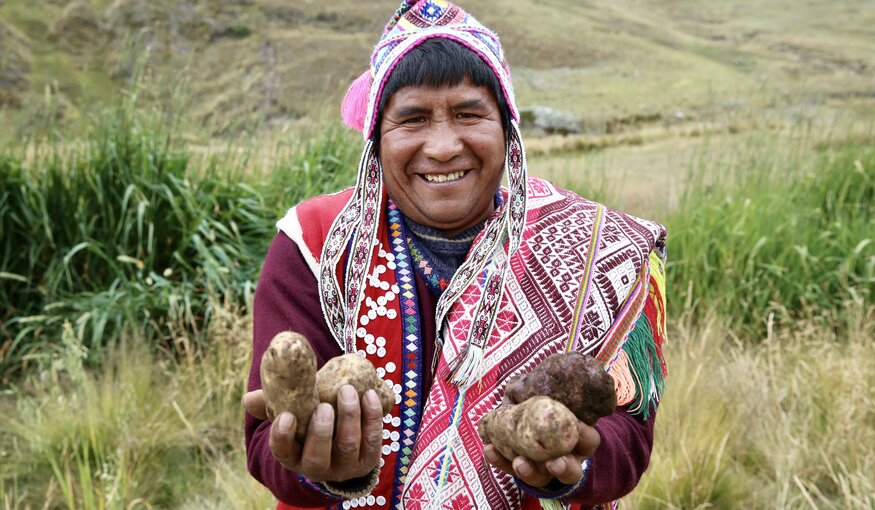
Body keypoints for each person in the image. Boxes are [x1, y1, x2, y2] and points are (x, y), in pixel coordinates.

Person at [242, 1, 667, 509]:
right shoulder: (313, 244)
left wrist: (570, 466)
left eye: (469, 114)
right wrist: (317, 468)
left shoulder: (596, 246)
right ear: (375, 141)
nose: (443, 146)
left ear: (508, 131)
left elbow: (629, 438)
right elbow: (264, 446)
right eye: (413, 119)